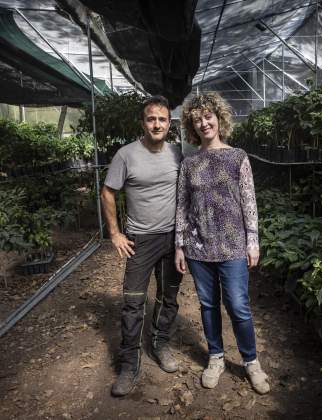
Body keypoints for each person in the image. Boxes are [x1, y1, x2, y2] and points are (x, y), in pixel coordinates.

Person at [174, 92, 270, 394]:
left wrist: (253, 241)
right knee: (208, 305)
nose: (204, 123)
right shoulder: (189, 163)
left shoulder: (238, 157)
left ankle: (251, 361)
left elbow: (248, 201)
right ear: (192, 125)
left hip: (233, 246)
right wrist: (179, 244)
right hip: (198, 247)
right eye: (197, 119)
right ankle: (215, 356)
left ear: (219, 117)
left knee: (239, 306)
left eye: (208, 116)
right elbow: (182, 206)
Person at [101, 95, 183, 397]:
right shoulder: (126, 155)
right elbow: (108, 193)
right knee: (133, 302)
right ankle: (129, 362)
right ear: (143, 122)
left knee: (169, 297)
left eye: (162, 119)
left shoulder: (178, 154)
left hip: (173, 238)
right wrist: (115, 233)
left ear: (169, 123)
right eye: (151, 118)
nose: (157, 124)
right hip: (140, 241)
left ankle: (161, 344)